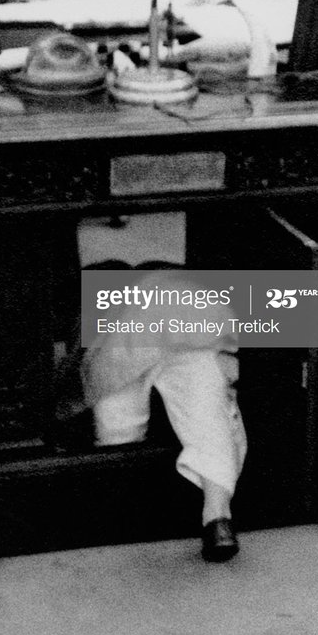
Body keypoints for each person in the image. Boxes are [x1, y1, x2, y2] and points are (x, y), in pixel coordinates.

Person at [77, 213, 246, 562]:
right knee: (126, 412)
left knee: (198, 392)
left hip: (173, 310)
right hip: (126, 316)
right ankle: (216, 517)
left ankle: (215, 515)